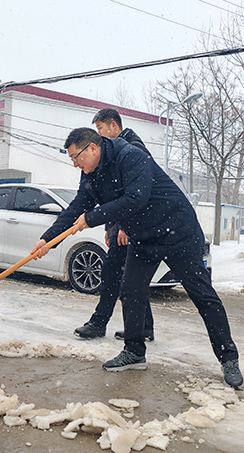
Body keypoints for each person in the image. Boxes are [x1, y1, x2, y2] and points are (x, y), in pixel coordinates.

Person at [31, 127, 243, 389]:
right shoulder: (90, 176)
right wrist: (48, 240)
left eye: (76, 157)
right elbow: (76, 208)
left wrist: (94, 218)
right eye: (72, 159)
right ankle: (134, 351)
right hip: (143, 236)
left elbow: (135, 199)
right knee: (131, 291)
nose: (74, 164)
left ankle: (229, 358)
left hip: (177, 230)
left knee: (202, 295)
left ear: (93, 149)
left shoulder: (130, 156)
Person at [74, 108, 154, 342]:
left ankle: (100, 323)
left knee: (114, 273)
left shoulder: (132, 149)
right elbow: (108, 195)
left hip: (134, 225)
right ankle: (144, 327)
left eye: (100, 129)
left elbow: (133, 196)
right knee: (130, 277)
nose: (98, 135)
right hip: (123, 225)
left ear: (114, 126)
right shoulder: (107, 153)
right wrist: (111, 226)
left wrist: (122, 227)